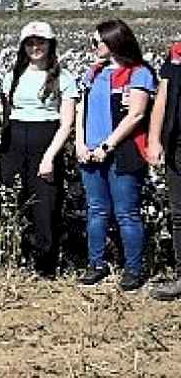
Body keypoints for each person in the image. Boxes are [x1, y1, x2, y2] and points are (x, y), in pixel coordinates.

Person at [75, 19, 154, 291]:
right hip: (90, 152)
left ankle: (133, 268)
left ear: (114, 41)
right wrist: (80, 143)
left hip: (122, 153)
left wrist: (106, 146)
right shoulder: (94, 73)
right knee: (96, 210)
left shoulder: (139, 73)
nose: (93, 46)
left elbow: (136, 114)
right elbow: (81, 109)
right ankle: (96, 263)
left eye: (97, 41)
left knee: (126, 213)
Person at [0, 21, 77, 278]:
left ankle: (45, 266)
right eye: (30, 43)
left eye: (41, 42)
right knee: (15, 199)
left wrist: (49, 157)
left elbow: (67, 123)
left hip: (46, 139)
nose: (36, 47)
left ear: (50, 45)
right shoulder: (12, 76)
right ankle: (18, 256)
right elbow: (6, 112)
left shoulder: (63, 78)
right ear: (23, 47)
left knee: (45, 204)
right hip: (15, 140)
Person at [149, 35, 181, 300]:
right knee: (179, 213)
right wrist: (153, 139)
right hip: (177, 144)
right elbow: (162, 98)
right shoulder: (176, 54)